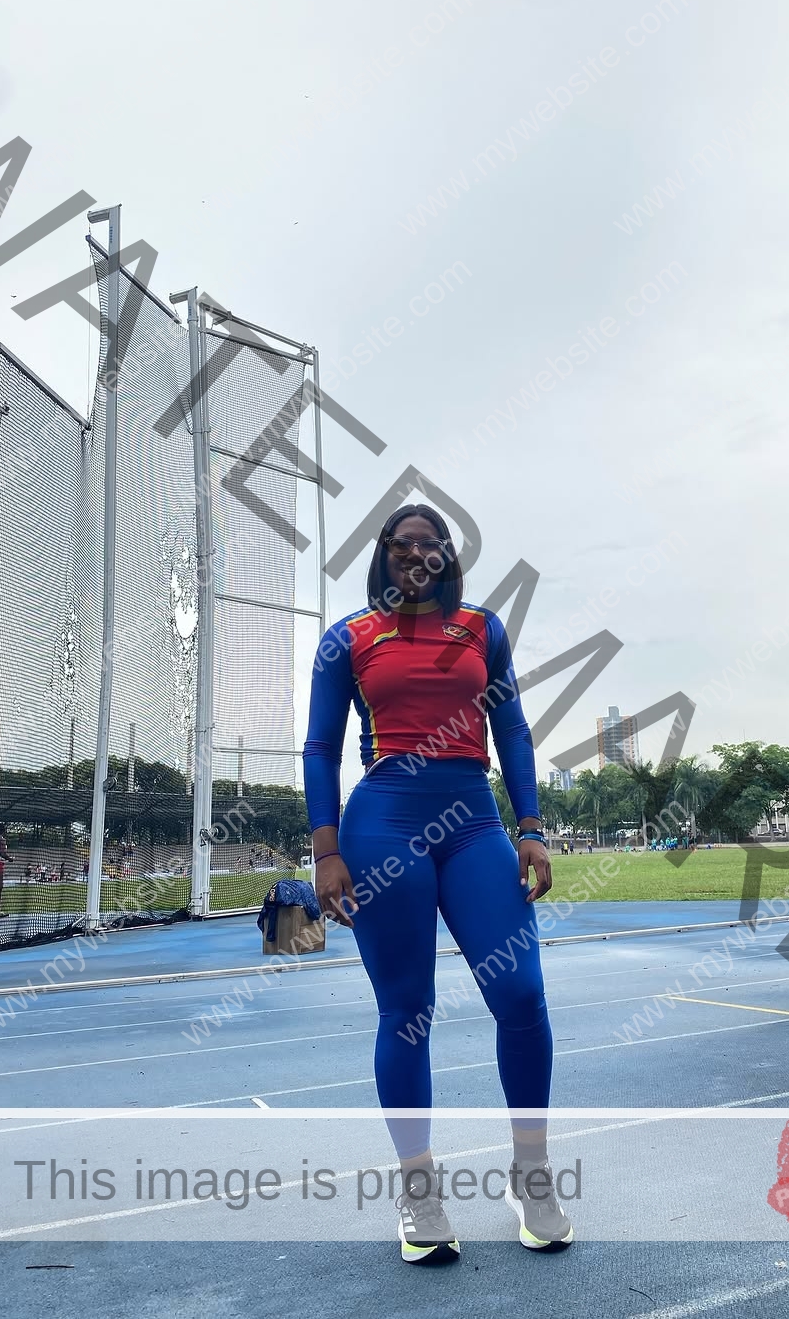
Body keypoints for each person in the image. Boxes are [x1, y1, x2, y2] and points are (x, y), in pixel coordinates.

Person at [304, 505, 573, 1265]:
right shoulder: (348, 637)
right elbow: (321, 746)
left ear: (449, 557)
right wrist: (325, 849)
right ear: (383, 554)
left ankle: (531, 1174)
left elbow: (511, 728)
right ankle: (419, 1193)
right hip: (384, 824)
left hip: (474, 822)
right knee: (407, 1011)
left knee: (521, 993)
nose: (417, 555)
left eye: (432, 546)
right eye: (403, 545)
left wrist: (531, 826)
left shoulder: (483, 628)